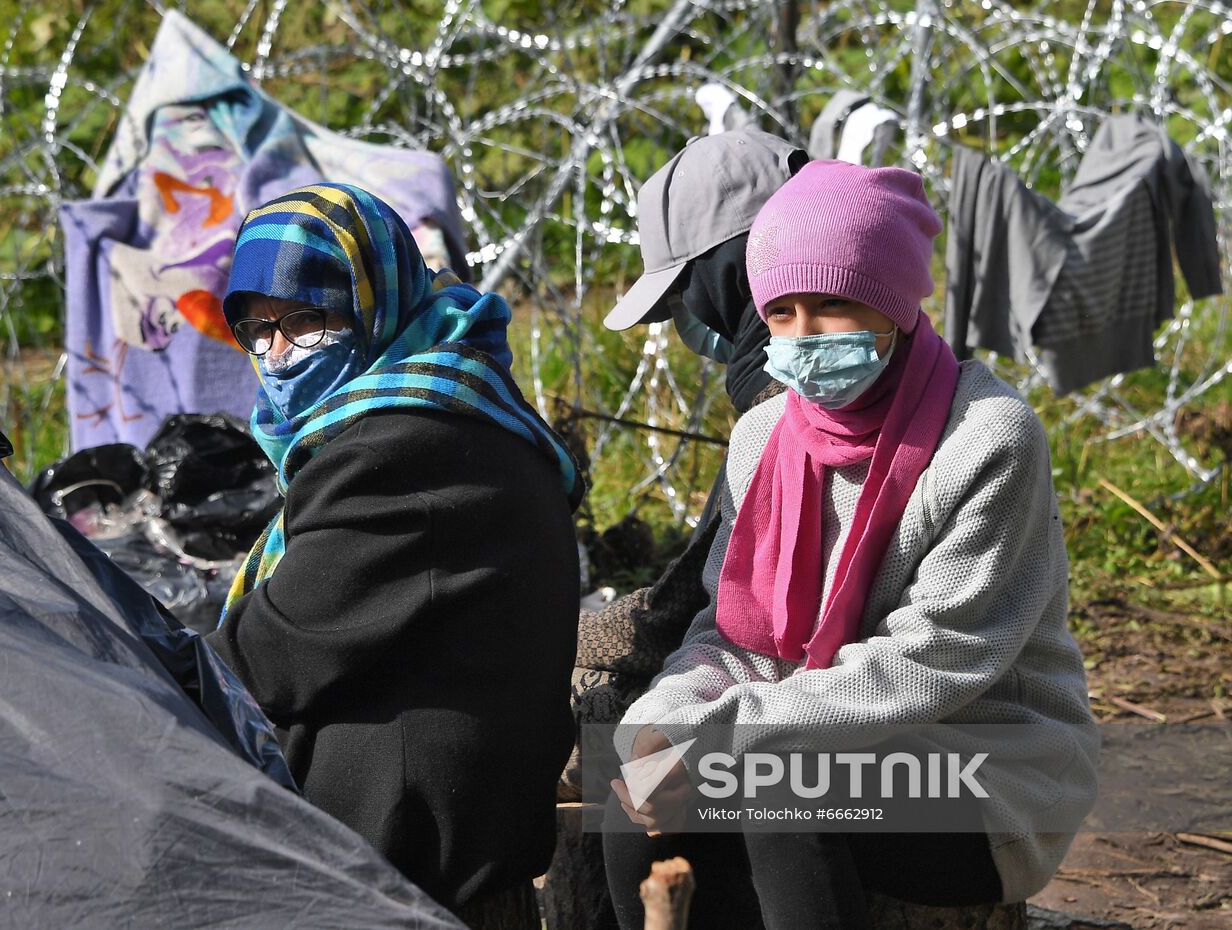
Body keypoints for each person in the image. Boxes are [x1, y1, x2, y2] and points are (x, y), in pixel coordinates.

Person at [600, 161, 1099, 929]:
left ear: (895, 302)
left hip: (991, 771)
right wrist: (663, 725)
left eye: (832, 305)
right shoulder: (764, 436)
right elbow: (733, 634)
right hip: (804, 733)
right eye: (782, 312)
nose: (803, 337)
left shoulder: (985, 437)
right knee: (637, 800)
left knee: (776, 786)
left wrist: (722, 736)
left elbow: (935, 657)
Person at [202, 183, 584, 925]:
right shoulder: (445, 401)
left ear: (371, 301)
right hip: (428, 856)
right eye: (256, 330)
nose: (276, 354)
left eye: (306, 321)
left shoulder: (403, 448)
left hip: (410, 874)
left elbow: (267, 656)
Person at [566, 128, 807, 797]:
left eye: (684, 293)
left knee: (605, 710)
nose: (685, 320)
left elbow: (692, 603)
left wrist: (563, 641)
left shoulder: (785, 405)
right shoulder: (871, 355)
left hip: (812, 718)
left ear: (732, 270)